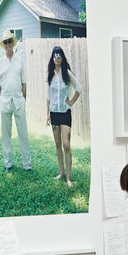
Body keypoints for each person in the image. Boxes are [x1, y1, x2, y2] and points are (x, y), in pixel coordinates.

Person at [45, 46, 81, 188]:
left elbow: (79, 88)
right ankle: (61, 173)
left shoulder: (67, 73)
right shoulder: (50, 74)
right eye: (55, 55)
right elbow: (48, 96)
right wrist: (47, 113)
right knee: (58, 145)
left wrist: (71, 101)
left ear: (62, 58)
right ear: (53, 58)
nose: (57, 57)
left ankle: (69, 178)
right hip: (54, 113)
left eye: (59, 55)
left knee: (66, 144)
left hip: (65, 113)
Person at [0, 30, 30, 172]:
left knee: (23, 134)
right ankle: (8, 163)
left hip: (18, 101)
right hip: (5, 102)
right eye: (6, 42)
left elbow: (24, 83)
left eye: (10, 42)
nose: (8, 44)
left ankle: (27, 164)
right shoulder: (0, 62)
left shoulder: (20, 61)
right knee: (6, 135)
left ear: (13, 44)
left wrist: (23, 99)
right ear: (3, 45)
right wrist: (1, 100)